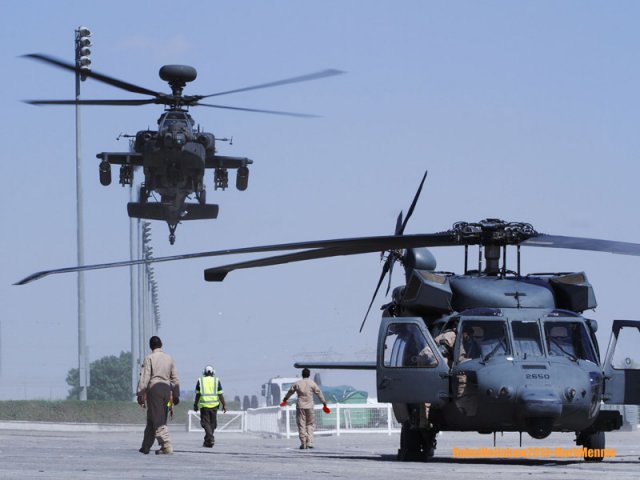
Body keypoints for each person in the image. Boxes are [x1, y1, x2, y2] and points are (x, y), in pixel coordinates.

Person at [136, 336, 180, 455]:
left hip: (154, 389)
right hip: (166, 390)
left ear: (150, 346)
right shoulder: (169, 358)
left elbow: (145, 377)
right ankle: (146, 446)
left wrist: (140, 393)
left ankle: (166, 445)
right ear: (161, 345)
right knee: (152, 419)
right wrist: (176, 395)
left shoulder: (149, 358)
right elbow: (175, 378)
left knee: (158, 419)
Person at [281, 368, 328, 450]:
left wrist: (285, 399)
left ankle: (303, 443)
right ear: (309, 375)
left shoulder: (297, 383)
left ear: (302, 374)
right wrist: (324, 402)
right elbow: (318, 393)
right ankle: (310, 442)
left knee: (301, 424)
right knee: (310, 424)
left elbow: (290, 391)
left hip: (300, 406)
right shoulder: (312, 383)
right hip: (310, 406)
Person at [193, 365, 227, 448]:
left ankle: (210, 439)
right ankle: (208, 441)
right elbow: (220, 394)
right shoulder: (216, 380)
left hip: (204, 406)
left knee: (206, 424)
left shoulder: (200, 380)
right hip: (214, 406)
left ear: (204, 372)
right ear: (213, 372)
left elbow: (198, 394)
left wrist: (195, 404)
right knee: (212, 424)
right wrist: (224, 405)